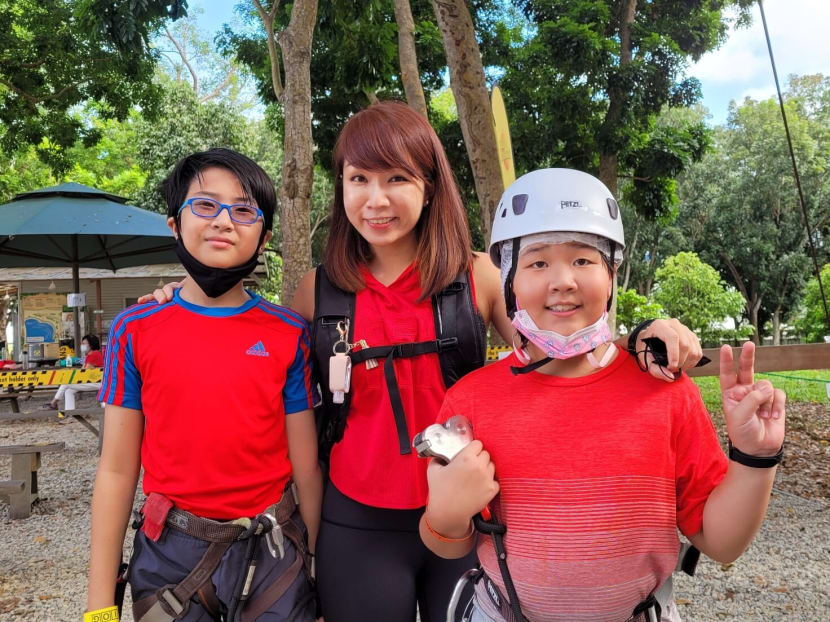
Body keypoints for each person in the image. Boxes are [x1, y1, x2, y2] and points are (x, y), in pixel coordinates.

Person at [143, 102, 705, 622]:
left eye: (396, 179)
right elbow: (256, 365)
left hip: (470, 519)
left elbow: (563, 345)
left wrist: (645, 336)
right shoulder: (318, 291)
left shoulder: (479, 275)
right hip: (355, 520)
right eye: (358, 179)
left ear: (430, 186)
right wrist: (185, 297)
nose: (376, 199)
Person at [420, 168, 787, 622]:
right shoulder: (471, 399)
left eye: (583, 260)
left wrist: (754, 457)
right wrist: (448, 512)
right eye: (537, 262)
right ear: (510, 281)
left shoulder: (666, 391)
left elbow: (721, 540)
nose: (563, 281)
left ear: (611, 275)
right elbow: (442, 540)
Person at [85, 148, 322, 622]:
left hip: (273, 548)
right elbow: (115, 471)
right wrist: (99, 609)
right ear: (174, 224)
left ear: (264, 236)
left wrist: (320, 577)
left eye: (243, 210)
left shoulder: (288, 332)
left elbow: (307, 466)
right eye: (206, 205)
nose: (223, 221)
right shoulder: (134, 330)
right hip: (171, 552)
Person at [46, 334, 104, 410]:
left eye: (84, 344)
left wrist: (73, 372)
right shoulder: (90, 356)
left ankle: (53, 403)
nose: (82, 345)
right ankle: (70, 414)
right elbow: (83, 370)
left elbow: (85, 372)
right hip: (92, 381)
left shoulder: (94, 354)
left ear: (91, 345)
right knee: (69, 391)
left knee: (66, 383)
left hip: (97, 382)